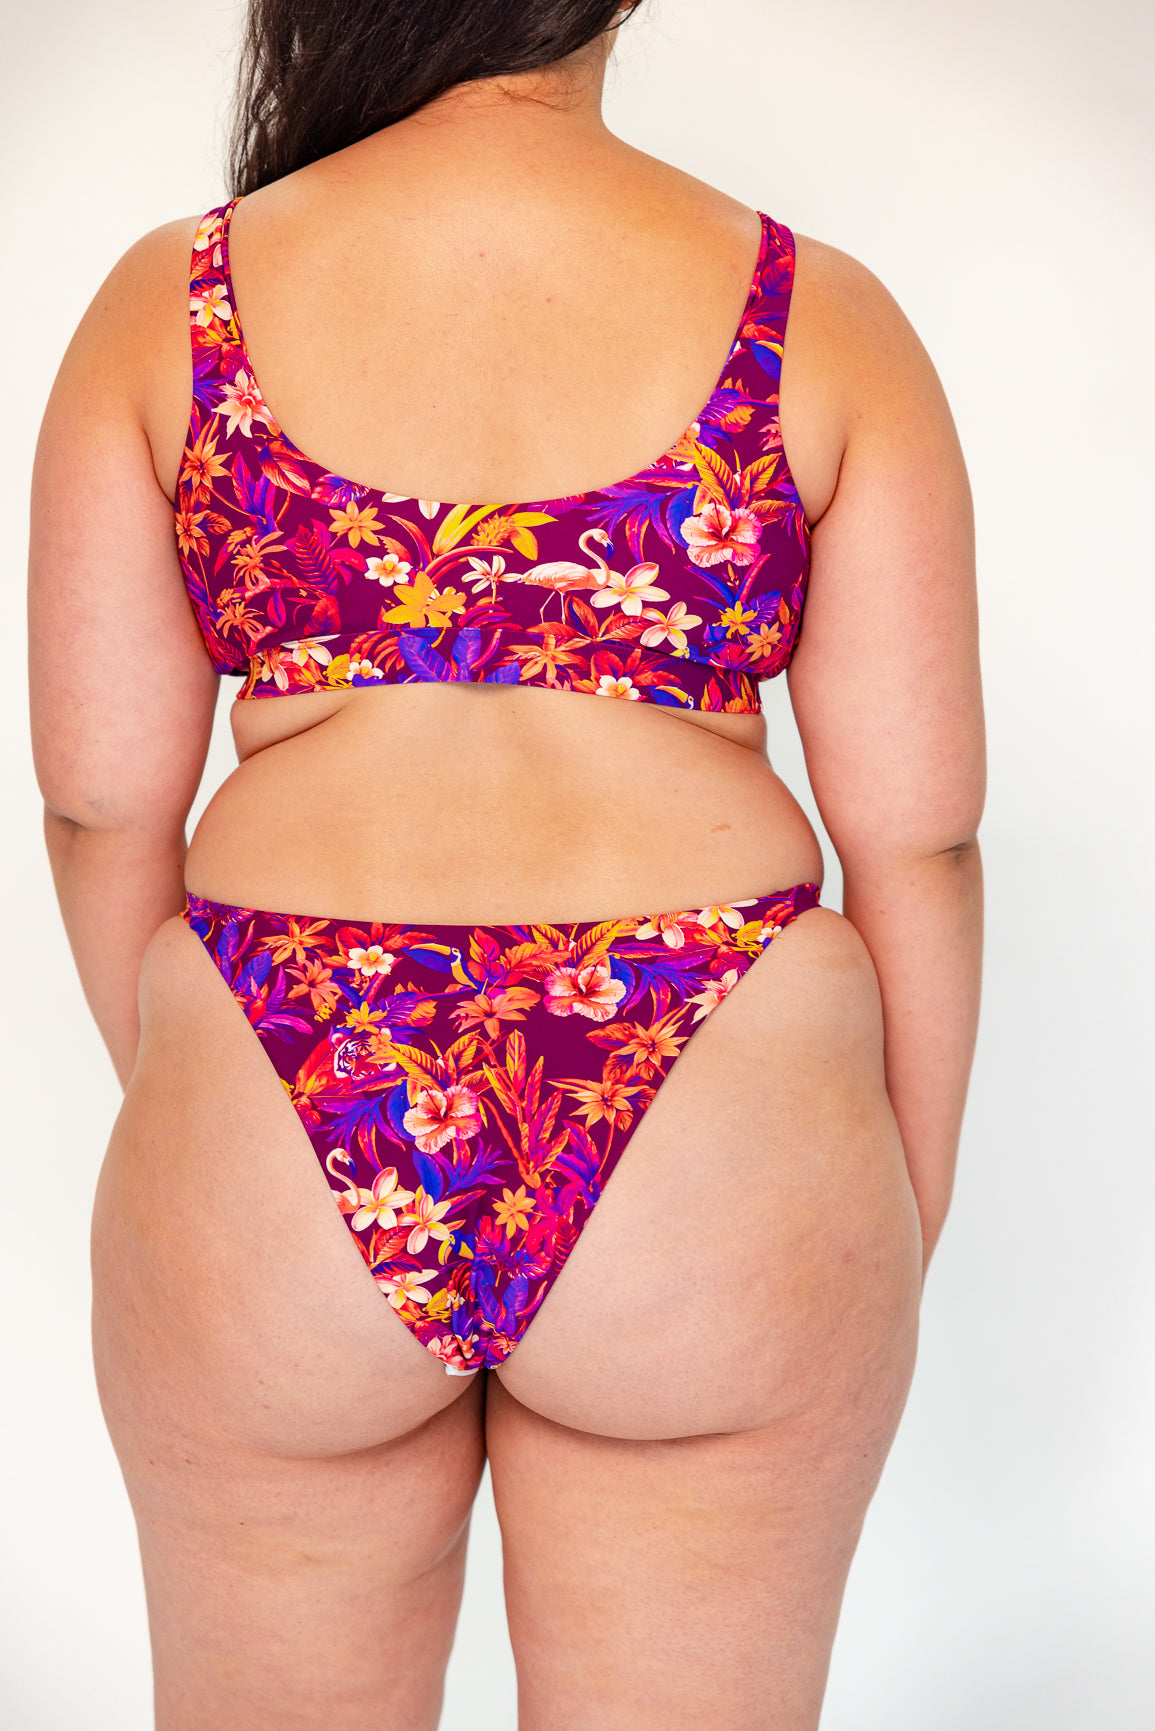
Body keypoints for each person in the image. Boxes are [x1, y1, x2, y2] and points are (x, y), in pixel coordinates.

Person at [28, 0, 984, 1724]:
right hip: (719, 1087)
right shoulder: (815, 310)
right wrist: (891, 1205)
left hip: (283, 1054)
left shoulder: (177, 301)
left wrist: (202, 1084)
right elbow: (919, 835)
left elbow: (101, 808)